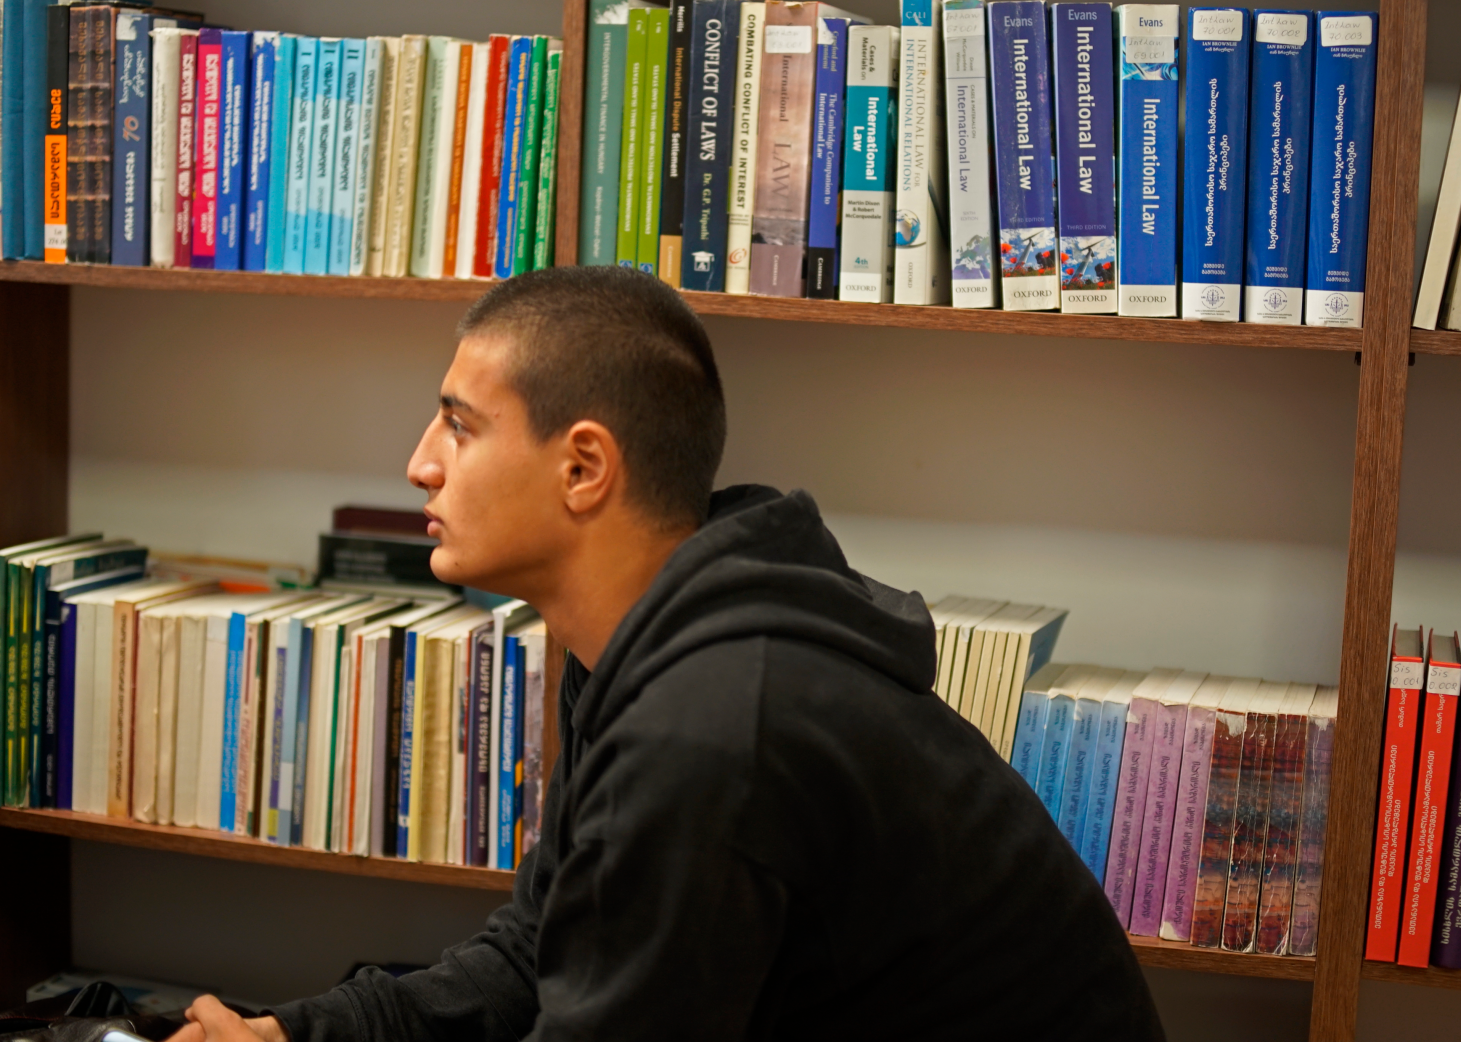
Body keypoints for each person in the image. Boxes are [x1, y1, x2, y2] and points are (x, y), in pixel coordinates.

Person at [175, 267, 1163, 1042]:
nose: (419, 462)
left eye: (459, 426)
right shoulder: (638, 642)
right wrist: (294, 1034)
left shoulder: (711, 725)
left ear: (583, 467)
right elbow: (539, 953)